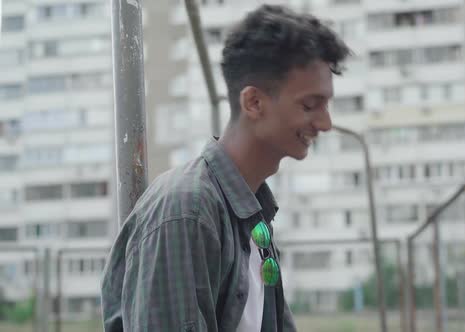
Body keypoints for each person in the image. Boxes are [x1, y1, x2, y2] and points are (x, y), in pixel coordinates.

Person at [101, 4, 351, 332]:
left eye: (326, 105)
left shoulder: (251, 210)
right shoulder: (187, 210)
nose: (325, 122)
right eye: (309, 105)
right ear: (254, 103)